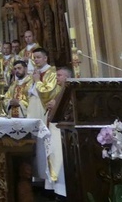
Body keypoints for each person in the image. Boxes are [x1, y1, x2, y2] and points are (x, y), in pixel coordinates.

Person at [27, 48, 60, 186]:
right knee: (34, 143)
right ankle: (37, 177)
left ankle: (46, 179)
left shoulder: (52, 72)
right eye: (34, 58)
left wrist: (37, 81)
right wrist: (35, 80)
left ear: (45, 58)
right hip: (32, 108)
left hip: (42, 108)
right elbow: (28, 91)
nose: (36, 60)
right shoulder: (35, 73)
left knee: (43, 142)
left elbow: (48, 93)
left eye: (38, 57)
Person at [44, 67, 72, 199]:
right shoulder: (59, 91)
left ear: (67, 77)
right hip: (55, 130)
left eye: (60, 75)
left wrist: (54, 105)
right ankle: (57, 189)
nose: (57, 78)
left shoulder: (69, 92)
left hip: (62, 131)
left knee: (60, 160)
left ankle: (62, 191)